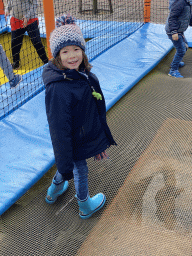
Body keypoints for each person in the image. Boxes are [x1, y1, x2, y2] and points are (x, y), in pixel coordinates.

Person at [42, 14, 116, 219]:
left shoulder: (79, 73)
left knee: (70, 168)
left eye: (76, 49)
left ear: (83, 50)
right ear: (57, 56)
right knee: (79, 168)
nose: (72, 55)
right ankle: (85, 205)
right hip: (73, 138)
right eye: (65, 51)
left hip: (80, 132)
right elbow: (58, 128)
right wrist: (64, 162)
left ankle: (53, 192)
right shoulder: (58, 89)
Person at [4, 0, 49, 69]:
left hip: (30, 19)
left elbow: (35, 4)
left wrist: (27, 16)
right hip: (16, 20)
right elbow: (10, 2)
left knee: (37, 42)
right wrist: (7, 9)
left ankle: (46, 62)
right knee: (15, 43)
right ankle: (16, 63)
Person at [165, 0, 192, 78]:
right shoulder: (180, 3)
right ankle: (173, 70)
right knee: (181, 50)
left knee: (185, 46)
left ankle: (176, 62)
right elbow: (172, 17)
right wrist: (174, 31)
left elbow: (188, 16)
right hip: (173, 31)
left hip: (179, 30)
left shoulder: (188, 3)